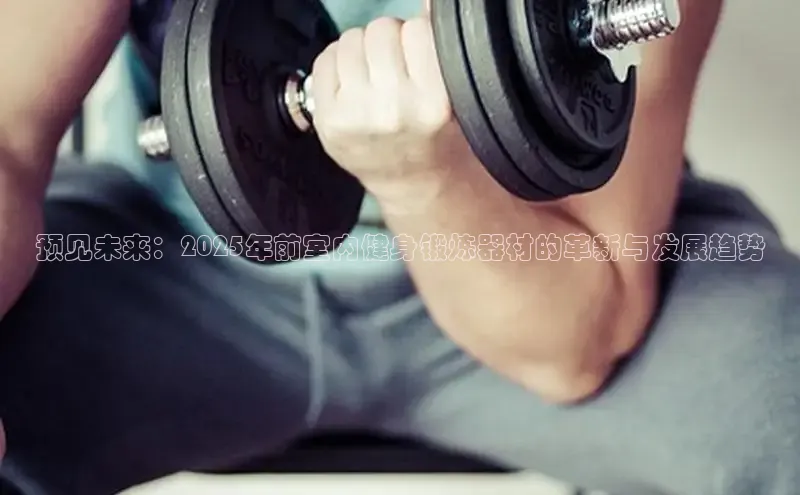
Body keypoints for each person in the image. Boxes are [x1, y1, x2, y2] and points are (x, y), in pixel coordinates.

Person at [1, 0, 798, 494]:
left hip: (530, 262)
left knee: (780, 415)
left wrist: (420, 176)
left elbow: (570, 350)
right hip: (173, 265)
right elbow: (7, 138)